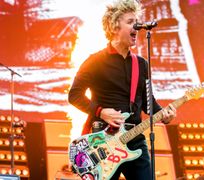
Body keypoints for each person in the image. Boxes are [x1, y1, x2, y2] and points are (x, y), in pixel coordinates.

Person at [68, 0, 177, 179]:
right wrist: (101, 112)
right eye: (130, 21)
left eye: (136, 21)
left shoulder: (141, 64)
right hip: (103, 140)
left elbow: (149, 104)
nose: (137, 26)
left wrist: (165, 115)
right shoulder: (94, 61)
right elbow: (74, 95)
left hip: (134, 140)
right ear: (114, 26)